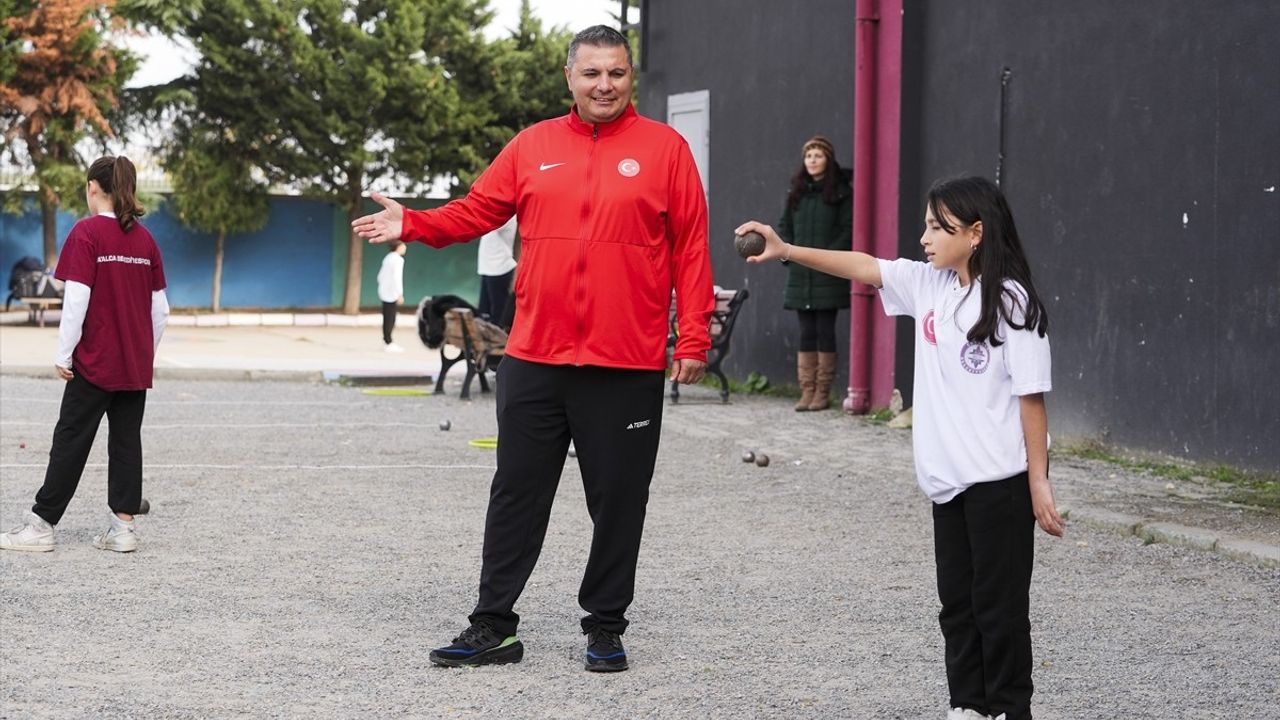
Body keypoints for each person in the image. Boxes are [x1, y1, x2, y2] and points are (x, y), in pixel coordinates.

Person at [352, 25, 713, 672]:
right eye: (592, 73)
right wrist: (414, 223)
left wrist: (692, 335)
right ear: (569, 78)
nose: (605, 84)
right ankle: (494, 625)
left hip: (624, 362)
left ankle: (605, 625)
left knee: (619, 498)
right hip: (536, 357)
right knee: (516, 492)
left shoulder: (666, 150)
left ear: (631, 78)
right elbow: (474, 212)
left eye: (618, 74)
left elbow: (691, 248)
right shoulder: (533, 146)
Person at [737, 176, 1066, 720]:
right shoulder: (932, 285)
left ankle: (1009, 709)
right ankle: (969, 706)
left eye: (940, 227)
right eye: (927, 225)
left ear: (977, 233)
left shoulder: (1010, 301)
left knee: (999, 608)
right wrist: (787, 249)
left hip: (1000, 481)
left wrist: (1038, 480)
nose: (925, 237)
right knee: (957, 606)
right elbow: (865, 265)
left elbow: (1031, 399)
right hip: (948, 481)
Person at [0, 155, 170, 554]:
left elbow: (77, 299)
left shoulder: (86, 232)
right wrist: (145, 353)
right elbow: (160, 310)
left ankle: (41, 526)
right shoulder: (145, 240)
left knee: (70, 440)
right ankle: (123, 529)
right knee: (127, 442)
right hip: (132, 365)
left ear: (94, 187)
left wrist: (64, 354)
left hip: (95, 362)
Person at [778, 135, 852, 411]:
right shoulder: (796, 192)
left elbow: (848, 230)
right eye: (808, 155)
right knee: (806, 332)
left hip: (827, 274)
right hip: (800, 274)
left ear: (828, 160)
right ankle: (807, 391)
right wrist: (788, 255)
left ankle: (822, 392)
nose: (812, 160)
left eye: (818, 155)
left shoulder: (842, 193)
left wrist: (827, 260)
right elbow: (784, 226)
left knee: (825, 331)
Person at [476, 216, 517, 330]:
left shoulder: (508, 216)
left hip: (500, 270)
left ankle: (499, 345)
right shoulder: (495, 213)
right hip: (487, 269)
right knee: (484, 315)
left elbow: (486, 221)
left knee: (498, 317)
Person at [377, 240, 407, 352]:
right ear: (398, 247)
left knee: (387, 317)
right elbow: (397, 277)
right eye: (403, 245)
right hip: (391, 292)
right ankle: (389, 342)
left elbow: (380, 275)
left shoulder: (388, 257)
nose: (405, 247)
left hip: (384, 291)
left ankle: (387, 340)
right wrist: (399, 293)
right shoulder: (398, 260)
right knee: (390, 318)